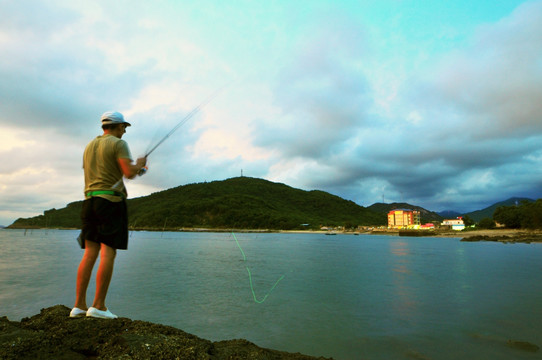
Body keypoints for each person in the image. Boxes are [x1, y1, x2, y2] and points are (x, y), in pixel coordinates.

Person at [70, 111, 147, 319]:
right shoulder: (118, 144)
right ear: (115, 126)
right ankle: (98, 306)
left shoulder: (89, 146)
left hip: (89, 201)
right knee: (108, 253)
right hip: (110, 202)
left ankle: (78, 306)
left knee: (89, 253)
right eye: (124, 126)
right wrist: (139, 166)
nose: (125, 130)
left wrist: (137, 169)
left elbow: (107, 171)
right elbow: (128, 172)